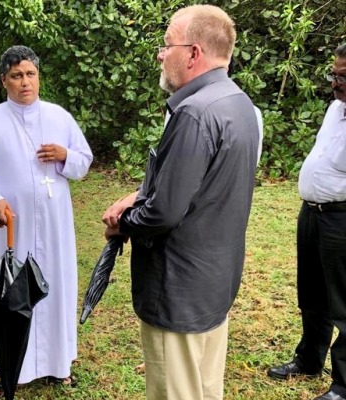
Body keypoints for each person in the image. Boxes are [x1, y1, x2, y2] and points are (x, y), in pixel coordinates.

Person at [102, 5, 259, 400]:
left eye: (166, 44)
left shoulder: (194, 112)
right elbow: (206, 186)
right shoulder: (240, 105)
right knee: (205, 389)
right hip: (213, 284)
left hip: (178, 287)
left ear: (193, 53)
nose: (160, 53)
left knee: (175, 392)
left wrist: (125, 223)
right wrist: (139, 195)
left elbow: (165, 212)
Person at [0, 45, 93, 396]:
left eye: (30, 74)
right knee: (6, 292)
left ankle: (57, 362)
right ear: (4, 80)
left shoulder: (59, 117)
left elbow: (84, 161)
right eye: (16, 75)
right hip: (9, 225)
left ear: (39, 77)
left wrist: (66, 156)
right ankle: (3, 367)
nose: (24, 82)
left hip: (54, 224)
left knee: (55, 286)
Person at [267, 44, 346, 400]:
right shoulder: (336, 108)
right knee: (312, 294)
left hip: (342, 219)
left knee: (343, 303)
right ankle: (309, 359)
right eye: (334, 74)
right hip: (312, 213)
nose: (335, 82)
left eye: (343, 76)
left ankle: (343, 386)